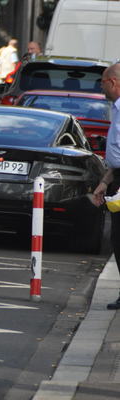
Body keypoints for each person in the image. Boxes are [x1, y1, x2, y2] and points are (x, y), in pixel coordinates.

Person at [92, 63, 120, 309]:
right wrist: (104, 182)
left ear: (112, 82)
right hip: (117, 178)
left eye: (102, 81)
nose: (101, 86)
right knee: (117, 236)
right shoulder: (116, 109)